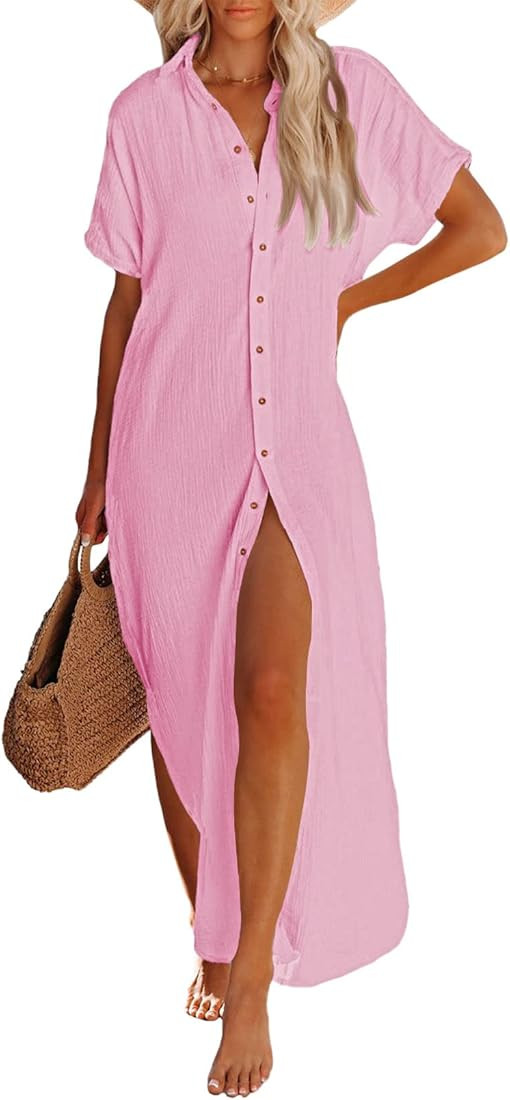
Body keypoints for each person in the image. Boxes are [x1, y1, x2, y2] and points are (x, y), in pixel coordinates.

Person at [77, 0, 506, 1094]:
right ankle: (212, 932)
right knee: (184, 708)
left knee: (273, 689)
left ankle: (253, 975)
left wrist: (352, 299)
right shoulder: (143, 117)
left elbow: (480, 227)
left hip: (299, 452)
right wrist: (94, 478)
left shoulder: (352, 93)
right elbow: (126, 307)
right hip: (168, 453)